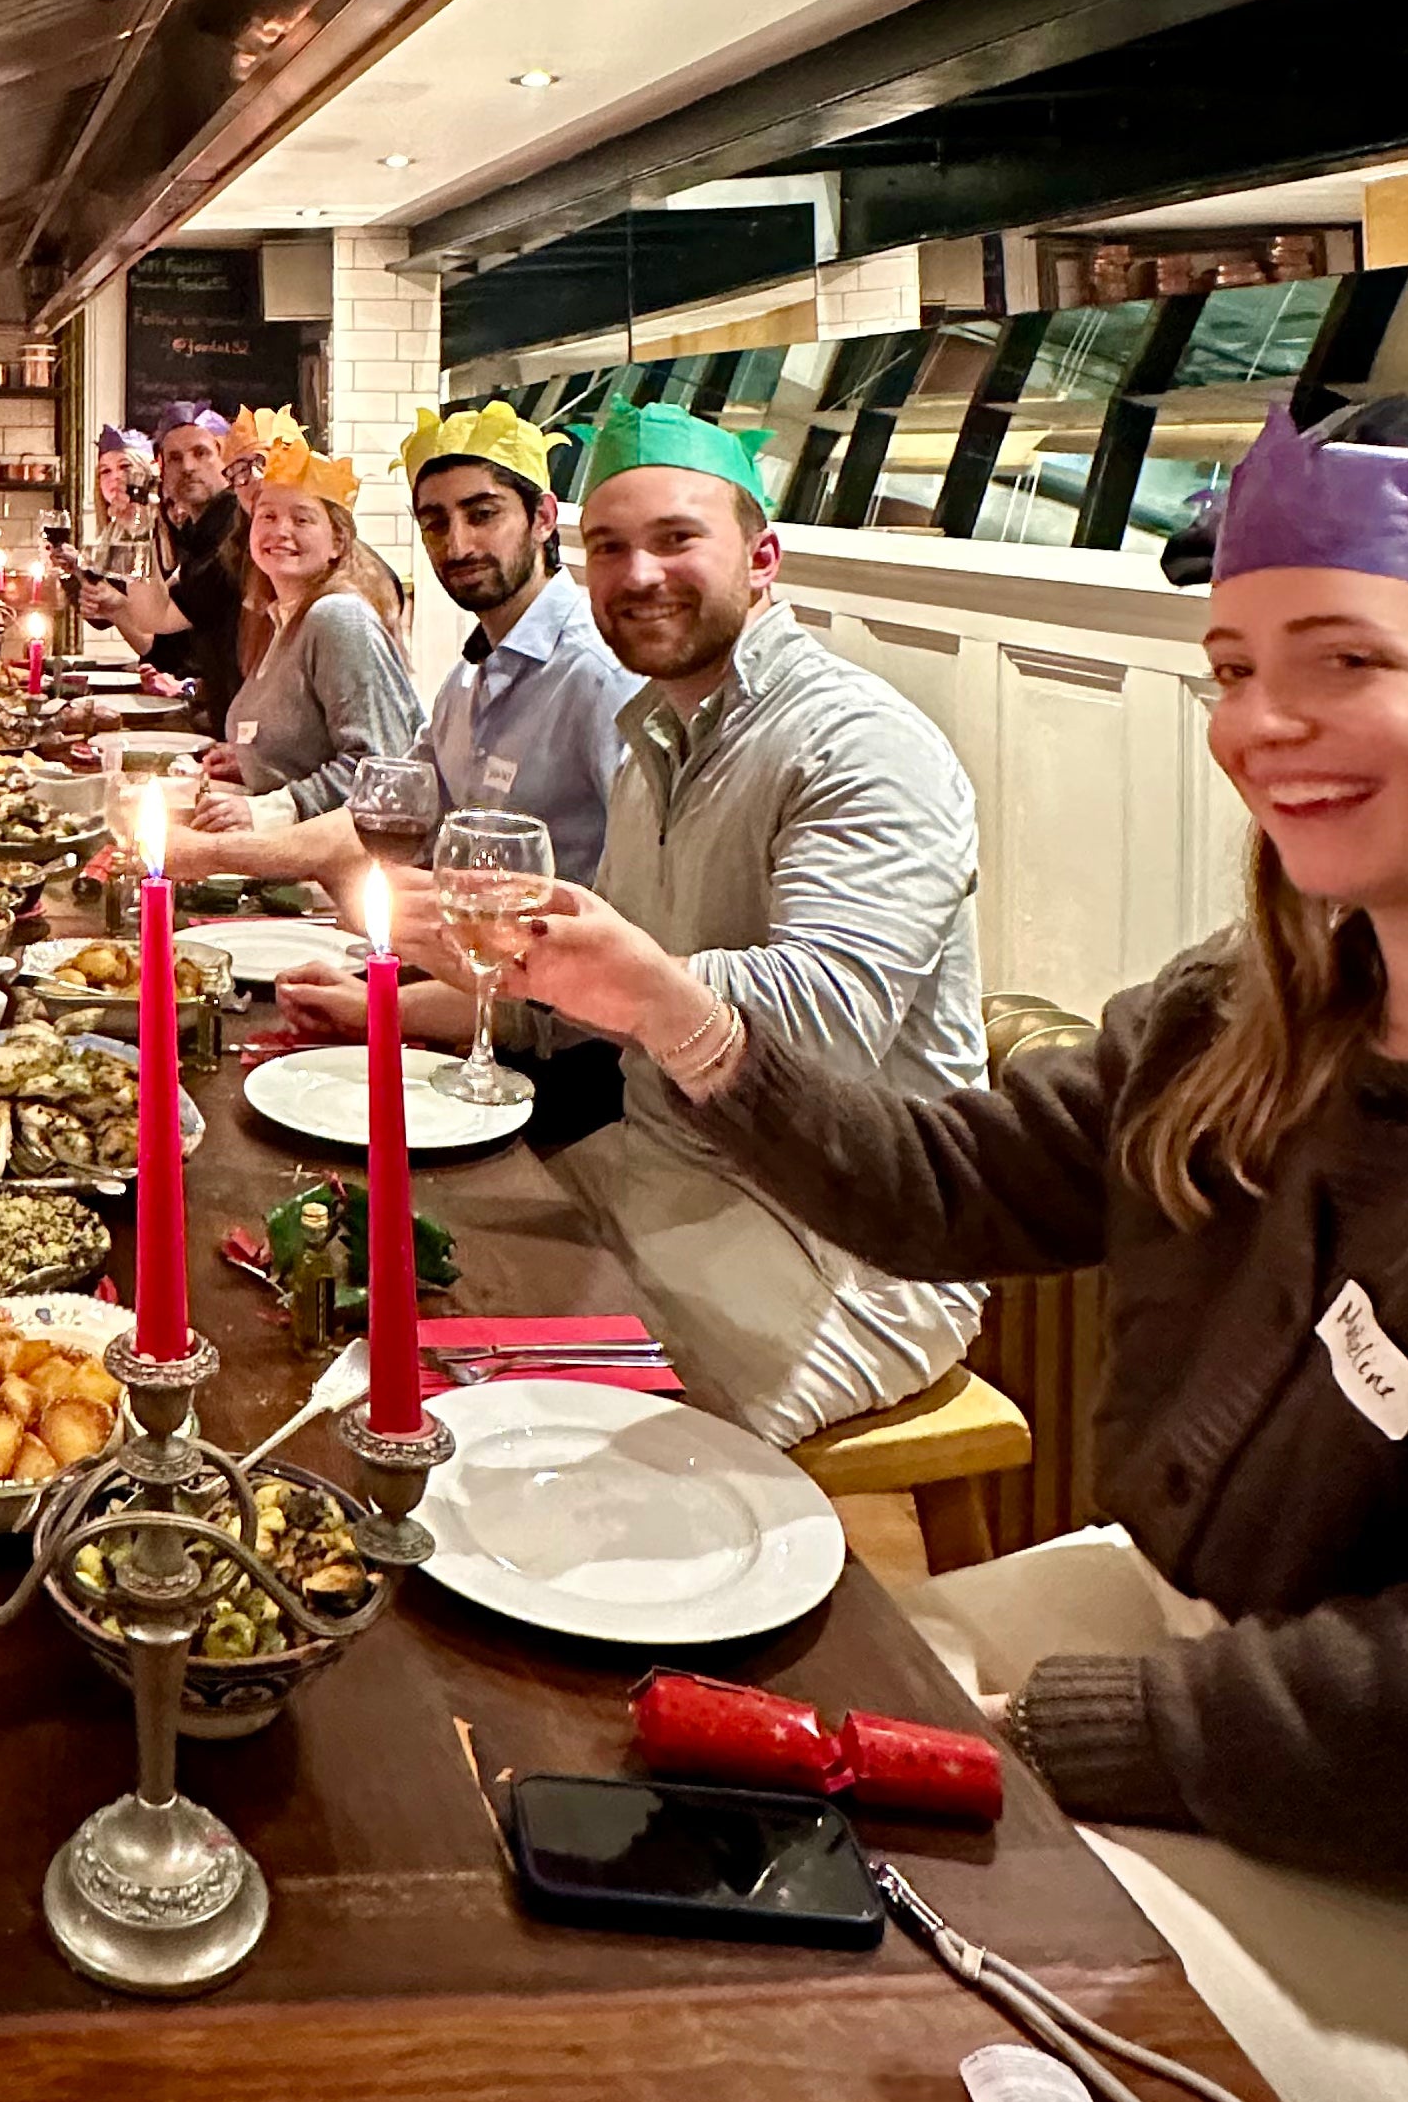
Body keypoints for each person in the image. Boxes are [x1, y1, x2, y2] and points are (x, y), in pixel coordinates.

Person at [513, 399, 1408, 2102]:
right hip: (1222, 1639)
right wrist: (681, 1018)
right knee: (712, 1763)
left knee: (860, 1990)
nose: (1260, 722)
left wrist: (1045, 1732)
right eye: (1232, 667)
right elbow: (949, 1184)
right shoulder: (1247, 1013)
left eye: (1343, 661)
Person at [387, 397, 986, 1447]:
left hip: (841, 1246)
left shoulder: (860, 742)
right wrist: (418, 998)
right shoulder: (654, 739)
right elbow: (598, 1005)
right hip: (652, 1172)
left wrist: (614, 970)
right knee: (385, 1289)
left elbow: (828, 1026)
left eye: (675, 539)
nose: (638, 575)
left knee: (514, 1444)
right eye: (611, 548)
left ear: (763, 558)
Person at [167, 399, 634, 888]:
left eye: (483, 515)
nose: (458, 545)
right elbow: (381, 811)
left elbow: (641, 899)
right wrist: (216, 853)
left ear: (543, 518)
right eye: (435, 523)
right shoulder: (467, 682)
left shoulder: (598, 675)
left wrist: (217, 851)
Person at [195, 435, 422, 827]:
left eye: (301, 519)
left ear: (337, 542)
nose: (281, 530)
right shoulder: (281, 620)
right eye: (267, 516)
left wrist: (267, 810)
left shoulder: (337, 617)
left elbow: (379, 769)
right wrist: (255, 759)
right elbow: (307, 743)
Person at [79, 399, 246, 731]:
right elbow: (153, 619)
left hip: (246, 721)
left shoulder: (234, 528)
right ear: (162, 472)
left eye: (201, 453)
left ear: (225, 461)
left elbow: (156, 620)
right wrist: (138, 532)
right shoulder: (199, 533)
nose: (188, 467)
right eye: (175, 458)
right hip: (222, 713)